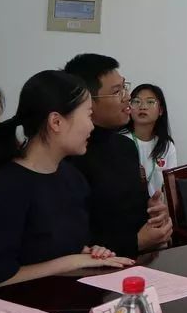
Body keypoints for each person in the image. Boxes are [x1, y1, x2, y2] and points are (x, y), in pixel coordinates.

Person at [0, 71, 133, 290]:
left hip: (67, 296)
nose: (92, 126)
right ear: (56, 122)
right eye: (88, 115)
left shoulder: (72, 178)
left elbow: (64, 247)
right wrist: (72, 262)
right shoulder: (5, 188)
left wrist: (90, 253)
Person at [63, 54, 171, 257]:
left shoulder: (125, 146)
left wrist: (154, 213)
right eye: (116, 91)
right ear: (87, 101)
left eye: (124, 87)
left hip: (139, 261)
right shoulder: (70, 155)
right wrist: (136, 242)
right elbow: (74, 239)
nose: (127, 97)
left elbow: (132, 209)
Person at [123, 84, 178, 196]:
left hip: (158, 205)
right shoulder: (120, 140)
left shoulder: (167, 146)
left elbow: (171, 187)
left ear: (160, 110)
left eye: (150, 102)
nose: (143, 107)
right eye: (136, 101)